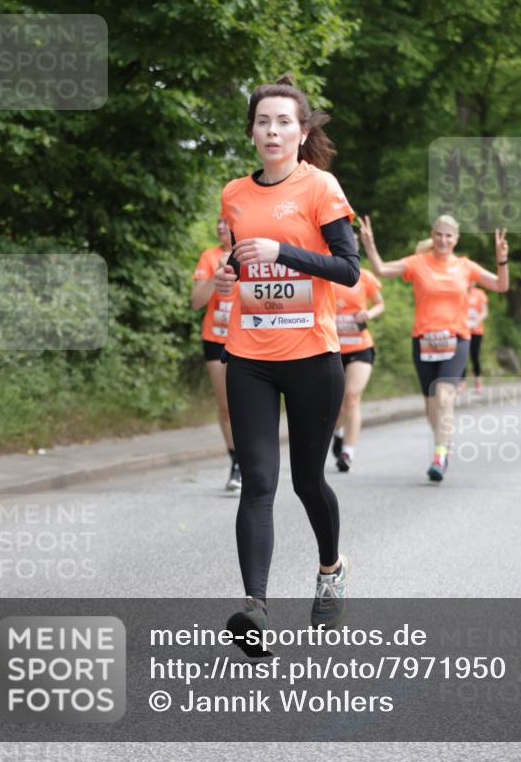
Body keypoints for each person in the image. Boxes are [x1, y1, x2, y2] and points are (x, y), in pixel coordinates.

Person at [213, 73, 359, 650]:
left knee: (306, 480)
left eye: (283, 122)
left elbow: (348, 270)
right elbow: (242, 261)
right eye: (262, 121)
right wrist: (229, 274)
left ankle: (331, 569)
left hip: (312, 356)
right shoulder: (234, 194)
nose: (272, 131)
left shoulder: (320, 187)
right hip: (248, 355)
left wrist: (284, 252)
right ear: (251, 131)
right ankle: (256, 609)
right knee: (257, 481)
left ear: (301, 132)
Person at [359, 214, 508, 483]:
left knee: (443, 396)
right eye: (439, 234)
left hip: (457, 339)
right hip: (424, 340)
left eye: (449, 235)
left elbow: (501, 285)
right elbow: (381, 269)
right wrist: (369, 244)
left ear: (456, 239)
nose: (443, 240)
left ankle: (439, 456)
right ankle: (444, 441)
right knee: (431, 407)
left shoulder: (465, 266)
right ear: (432, 235)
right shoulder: (418, 263)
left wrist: (502, 259)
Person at [191, 218, 240, 491]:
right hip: (215, 338)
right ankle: (237, 463)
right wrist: (217, 273)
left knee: (246, 404)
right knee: (226, 406)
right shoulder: (209, 256)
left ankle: (254, 459)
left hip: (247, 339)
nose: (220, 227)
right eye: (218, 222)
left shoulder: (252, 253)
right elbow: (196, 302)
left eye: (226, 222)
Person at [331, 245, 384, 472]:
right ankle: (337, 431)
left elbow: (380, 304)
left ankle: (347, 452)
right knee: (335, 405)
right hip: (331, 348)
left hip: (360, 346)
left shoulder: (365, 276)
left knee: (351, 397)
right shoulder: (325, 274)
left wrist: (368, 313)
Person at [459, 283, 488, 393]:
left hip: (476, 330)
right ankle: (462, 381)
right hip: (462, 329)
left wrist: (477, 320)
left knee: (474, 355)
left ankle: (478, 380)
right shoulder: (460, 292)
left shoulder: (479, 294)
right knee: (462, 355)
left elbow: (484, 311)